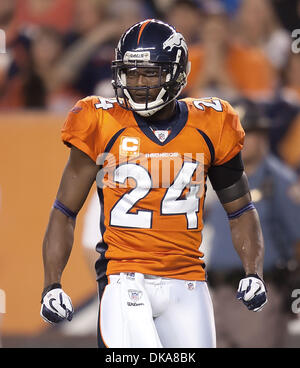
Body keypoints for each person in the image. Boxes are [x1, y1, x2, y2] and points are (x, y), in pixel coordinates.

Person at [40, 19, 267, 348]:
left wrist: (253, 271)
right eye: (131, 72)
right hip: (124, 277)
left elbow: (241, 208)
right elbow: (64, 210)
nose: (138, 83)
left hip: (188, 280)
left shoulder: (213, 122)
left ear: (177, 74)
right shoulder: (100, 121)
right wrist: (52, 284)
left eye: (150, 72)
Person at [204, 98, 300, 347]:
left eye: (247, 133)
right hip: (217, 292)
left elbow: (298, 237)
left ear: (262, 136)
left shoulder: (278, 180)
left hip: (259, 294)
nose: (240, 140)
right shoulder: (217, 177)